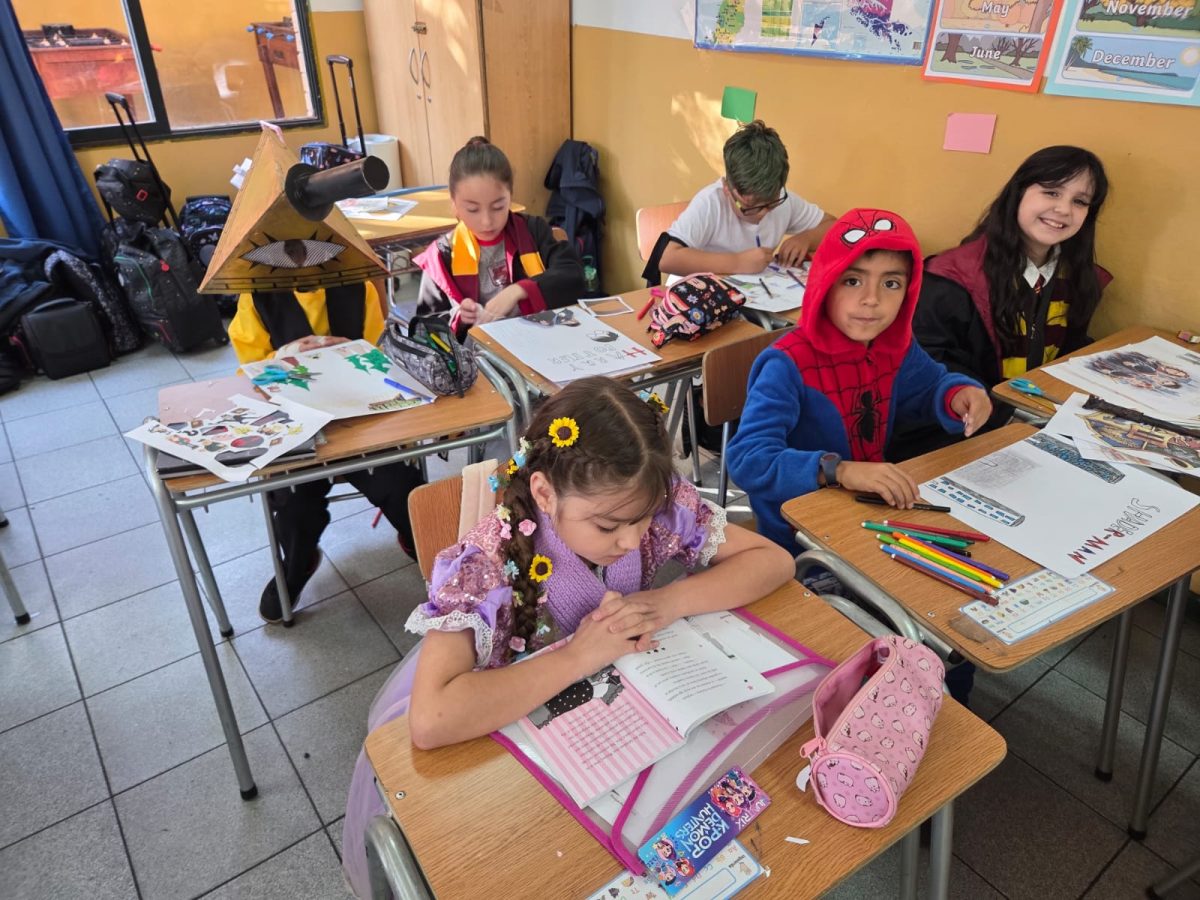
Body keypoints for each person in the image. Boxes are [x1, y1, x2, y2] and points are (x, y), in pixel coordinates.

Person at [340, 376, 794, 897]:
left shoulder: (648, 504)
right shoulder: (489, 561)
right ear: (544, 493)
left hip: (603, 727)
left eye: (644, 520)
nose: (631, 540)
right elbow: (432, 719)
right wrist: (579, 655)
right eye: (608, 527)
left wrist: (666, 601)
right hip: (495, 741)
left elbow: (772, 561)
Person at [725, 208, 993, 554]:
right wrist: (839, 470)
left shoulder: (894, 344)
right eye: (852, 280)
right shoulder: (786, 364)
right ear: (825, 282)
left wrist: (960, 394)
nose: (872, 299)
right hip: (797, 535)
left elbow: (929, 387)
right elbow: (749, 459)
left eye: (891, 283)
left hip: (866, 515)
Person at [890, 146, 1111, 460]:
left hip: (1035, 418)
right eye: (1051, 192)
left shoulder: (1078, 280)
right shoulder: (950, 280)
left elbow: (1067, 351)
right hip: (953, 430)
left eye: (1080, 201)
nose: (1063, 209)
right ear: (1019, 193)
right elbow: (925, 371)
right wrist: (1011, 417)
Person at [228, 282, 425, 623]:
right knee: (293, 502)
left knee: (398, 485)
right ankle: (297, 563)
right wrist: (283, 356)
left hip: (359, 417)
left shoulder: (358, 286)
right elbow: (247, 377)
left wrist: (353, 350)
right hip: (295, 425)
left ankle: (417, 538)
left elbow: (383, 357)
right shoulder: (256, 297)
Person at [414, 137, 585, 338]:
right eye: (472, 209)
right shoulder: (442, 255)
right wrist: (459, 315)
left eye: (498, 207)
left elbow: (572, 275)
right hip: (480, 355)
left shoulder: (533, 231)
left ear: (510, 197)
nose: (487, 221)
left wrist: (519, 290)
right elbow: (425, 329)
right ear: (454, 205)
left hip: (538, 341)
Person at [658, 120, 834, 277]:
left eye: (771, 204)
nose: (762, 214)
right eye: (750, 206)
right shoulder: (711, 203)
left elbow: (833, 225)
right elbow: (667, 258)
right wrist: (737, 262)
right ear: (727, 188)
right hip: (699, 296)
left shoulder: (783, 199)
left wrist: (806, 238)